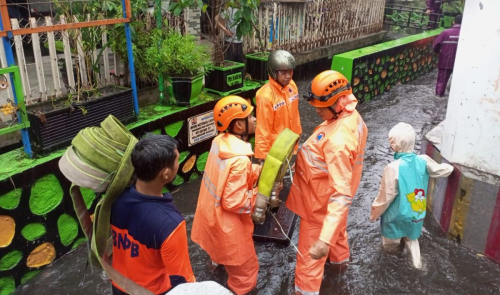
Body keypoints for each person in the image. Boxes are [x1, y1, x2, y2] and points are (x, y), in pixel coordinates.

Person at [286, 70, 368, 295]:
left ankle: (304, 291)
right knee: (338, 235)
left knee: (308, 264)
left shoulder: (338, 141)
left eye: (320, 107)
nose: (316, 110)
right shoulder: (352, 116)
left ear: (336, 103)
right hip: (334, 207)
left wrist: (322, 240)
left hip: (319, 206)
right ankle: (339, 271)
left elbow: (339, 195)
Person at [191, 96, 261, 295]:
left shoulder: (218, 142)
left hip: (209, 218)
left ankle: (215, 268)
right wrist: (260, 194)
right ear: (239, 125)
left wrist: (256, 171)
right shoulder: (240, 160)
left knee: (216, 256)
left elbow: (223, 176)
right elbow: (235, 202)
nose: (255, 119)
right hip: (229, 229)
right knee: (245, 274)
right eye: (250, 116)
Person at [110, 135, 196, 295]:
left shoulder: (116, 199)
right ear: (166, 173)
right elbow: (184, 283)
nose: (179, 163)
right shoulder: (170, 223)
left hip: (119, 285)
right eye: (177, 160)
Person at [370, 122, 453, 269]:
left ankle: (394, 266)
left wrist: (374, 213)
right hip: (416, 212)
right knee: (412, 238)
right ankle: (417, 264)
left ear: (395, 144)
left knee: (391, 247)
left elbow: (385, 197)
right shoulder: (424, 160)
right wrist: (451, 167)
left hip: (395, 216)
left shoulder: (392, 168)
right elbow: (440, 171)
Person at [254, 50, 302, 161]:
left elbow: (294, 116)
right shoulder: (265, 96)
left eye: (290, 72)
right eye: (283, 73)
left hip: (291, 143)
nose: (288, 76)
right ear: (274, 72)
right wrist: (263, 157)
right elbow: (263, 129)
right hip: (276, 149)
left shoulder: (292, 86)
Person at [433, 14, 462, 97]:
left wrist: (438, 52)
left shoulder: (445, 32)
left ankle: (439, 97)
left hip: (445, 61)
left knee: (441, 81)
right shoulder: (466, 33)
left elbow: (435, 45)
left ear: (453, 22)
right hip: (460, 63)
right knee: (459, 81)